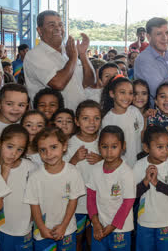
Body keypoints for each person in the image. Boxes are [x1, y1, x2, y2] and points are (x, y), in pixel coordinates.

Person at [24, 127, 86, 251]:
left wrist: (63, 226)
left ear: (64, 146)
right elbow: (34, 205)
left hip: (67, 229)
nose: (48, 154)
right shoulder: (34, 176)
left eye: (53, 147)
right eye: (43, 150)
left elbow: (73, 202)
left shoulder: (73, 172)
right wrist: (42, 228)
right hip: (42, 232)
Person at [24, 10, 95, 111]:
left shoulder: (68, 52)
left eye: (60, 25)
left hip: (77, 118)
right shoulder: (34, 55)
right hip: (54, 121)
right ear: (39, 31)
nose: (58, 28)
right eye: (51, 25)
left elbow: (89, 82)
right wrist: (74, 58)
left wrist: (83, 55)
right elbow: (58, 84)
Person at [133, 125, 168, 251]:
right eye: (160, 147)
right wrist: (145, 181)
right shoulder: (139, 165)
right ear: (146, 147)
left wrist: (156, 183)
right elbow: (133, 194)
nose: (165, 150)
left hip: (167, 222)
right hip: (145, 221)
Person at [87, 126, 135, 251]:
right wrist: (96, 222)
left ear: (123, 146)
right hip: (99, 227)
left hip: (120, 228)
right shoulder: (95, 169)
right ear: (98, 146)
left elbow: (128, 203)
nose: (109, 152)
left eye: (114, 147)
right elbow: (91, 197)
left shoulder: (126, 172)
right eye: (104, 147)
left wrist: (112, 226)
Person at [65, 100, 104, 250]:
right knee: (77, 238)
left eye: (96, 118)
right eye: (85, 118)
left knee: (95, 237)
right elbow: (61, 172)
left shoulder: (103, 142)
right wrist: (74, 159)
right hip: (78, 204)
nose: (91, 122)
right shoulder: (69, 144)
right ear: (77, 121)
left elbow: (115, 166)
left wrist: (102, 160)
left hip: (99, 203)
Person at [0, 124, 38, 251]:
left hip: (25, 228)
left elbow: (36, 197)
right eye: (9, 147)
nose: (13, 153)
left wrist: (32, 220)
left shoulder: (31, 167)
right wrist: (5, 172)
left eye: (19, 149)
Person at [101, 77, 144, 167]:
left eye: (130, 93)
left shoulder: (135, 111)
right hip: (120, 167)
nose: (127, 97)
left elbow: (141, 132)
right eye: (122, 92)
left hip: (139, 164)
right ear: (112, 93)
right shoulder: (107, 120)